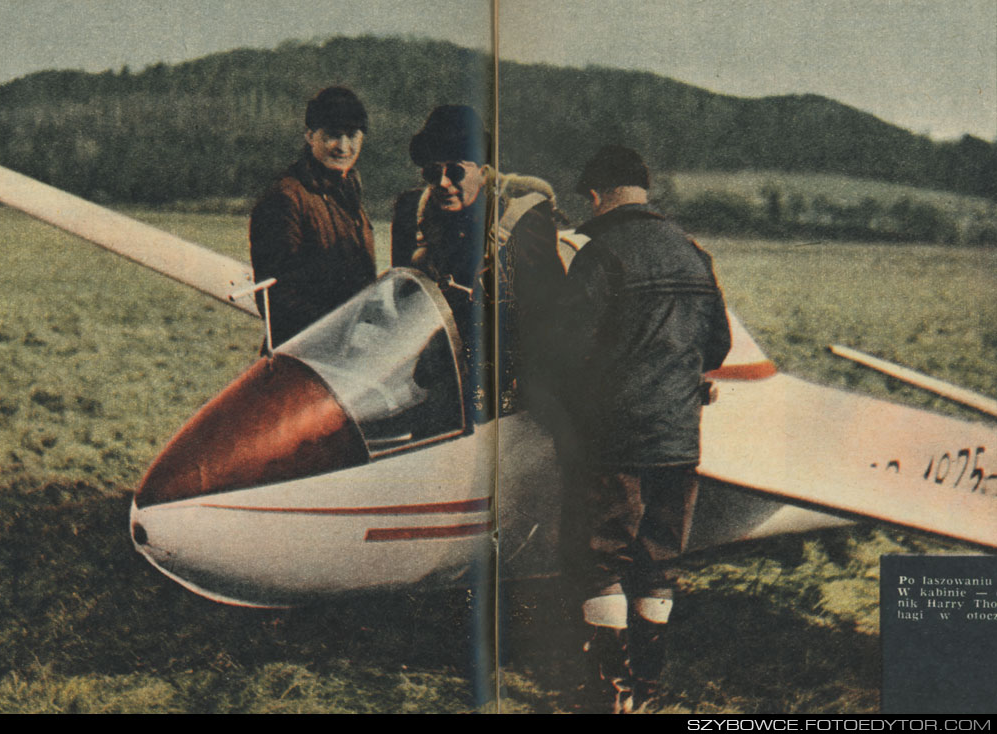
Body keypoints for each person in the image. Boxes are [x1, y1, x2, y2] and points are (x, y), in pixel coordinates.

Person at [552, 145, 731, 713]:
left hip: (614, 442)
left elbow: (568, 351)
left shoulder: (600, 254)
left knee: (601, 558)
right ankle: (646, 691)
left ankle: (607, 694)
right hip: (678, 441)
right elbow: (718, 345)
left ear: (597, 195)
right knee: (659, 562)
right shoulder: (693, 254)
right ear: (645, 192)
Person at [391, 105, 565, 421]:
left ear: (483, 173)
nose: (442, 183)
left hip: (503, 387)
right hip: (436, 384)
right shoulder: (410, 215)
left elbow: (553, 316)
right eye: (432, 173)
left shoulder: (524, 224)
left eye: (455, 172)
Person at [249, 86, 375, 348]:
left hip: (347, 359)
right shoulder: (286, 197)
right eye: (332, 135)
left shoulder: (349, 193)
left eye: (352, 135)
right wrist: (345, 331)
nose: (343, 147)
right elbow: (275, 296)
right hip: (303, 356)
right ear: (310, 135)